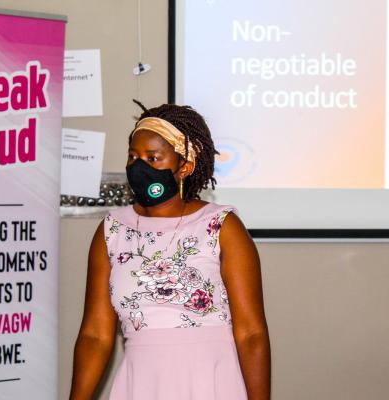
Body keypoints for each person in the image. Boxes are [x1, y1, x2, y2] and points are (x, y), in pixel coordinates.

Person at [69, 100, 271, 400]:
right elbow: (95, 335)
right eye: (133, 157)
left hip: (211, 382)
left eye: (153, 158)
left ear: (185, 166)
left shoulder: (221, 227)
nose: (140, 167)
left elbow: (251, 333)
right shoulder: (112, 230)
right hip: (142, 383)